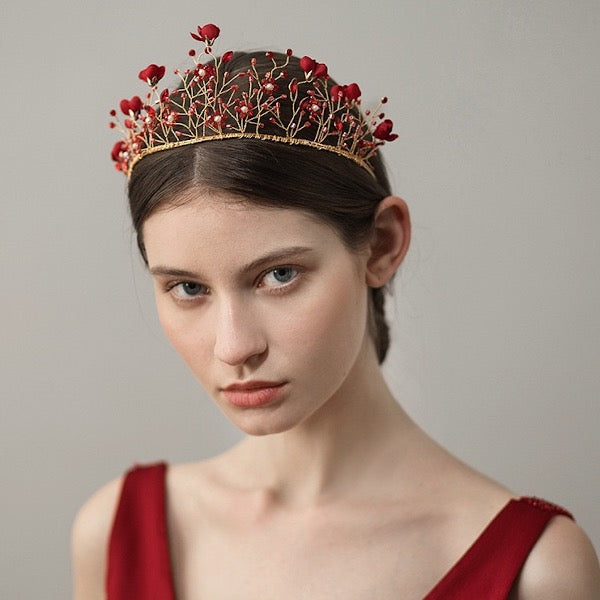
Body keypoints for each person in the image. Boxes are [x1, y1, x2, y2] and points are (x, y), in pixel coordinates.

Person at [72, 23, 600, 599]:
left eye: (279, 275)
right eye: (187, 288)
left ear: (382, 244)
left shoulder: (536, 571)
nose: (234, 347)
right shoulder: (116, 532)